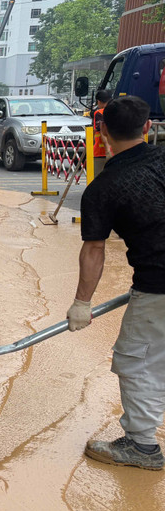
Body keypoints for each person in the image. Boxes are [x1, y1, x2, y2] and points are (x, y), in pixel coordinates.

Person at [66, 96, 165, 471]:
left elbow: (94, 250)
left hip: (159, 284)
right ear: (146, 128)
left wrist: (81, 303)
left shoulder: (104, 188)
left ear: (102, 130)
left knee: (138, 362)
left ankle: (141, 447)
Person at [92, 89, 111, 158]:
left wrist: (107, 149)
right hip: (116, 150)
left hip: (101, 152)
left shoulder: (99, 113)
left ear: (99, 101)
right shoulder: (117, 110)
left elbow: (102, 131)